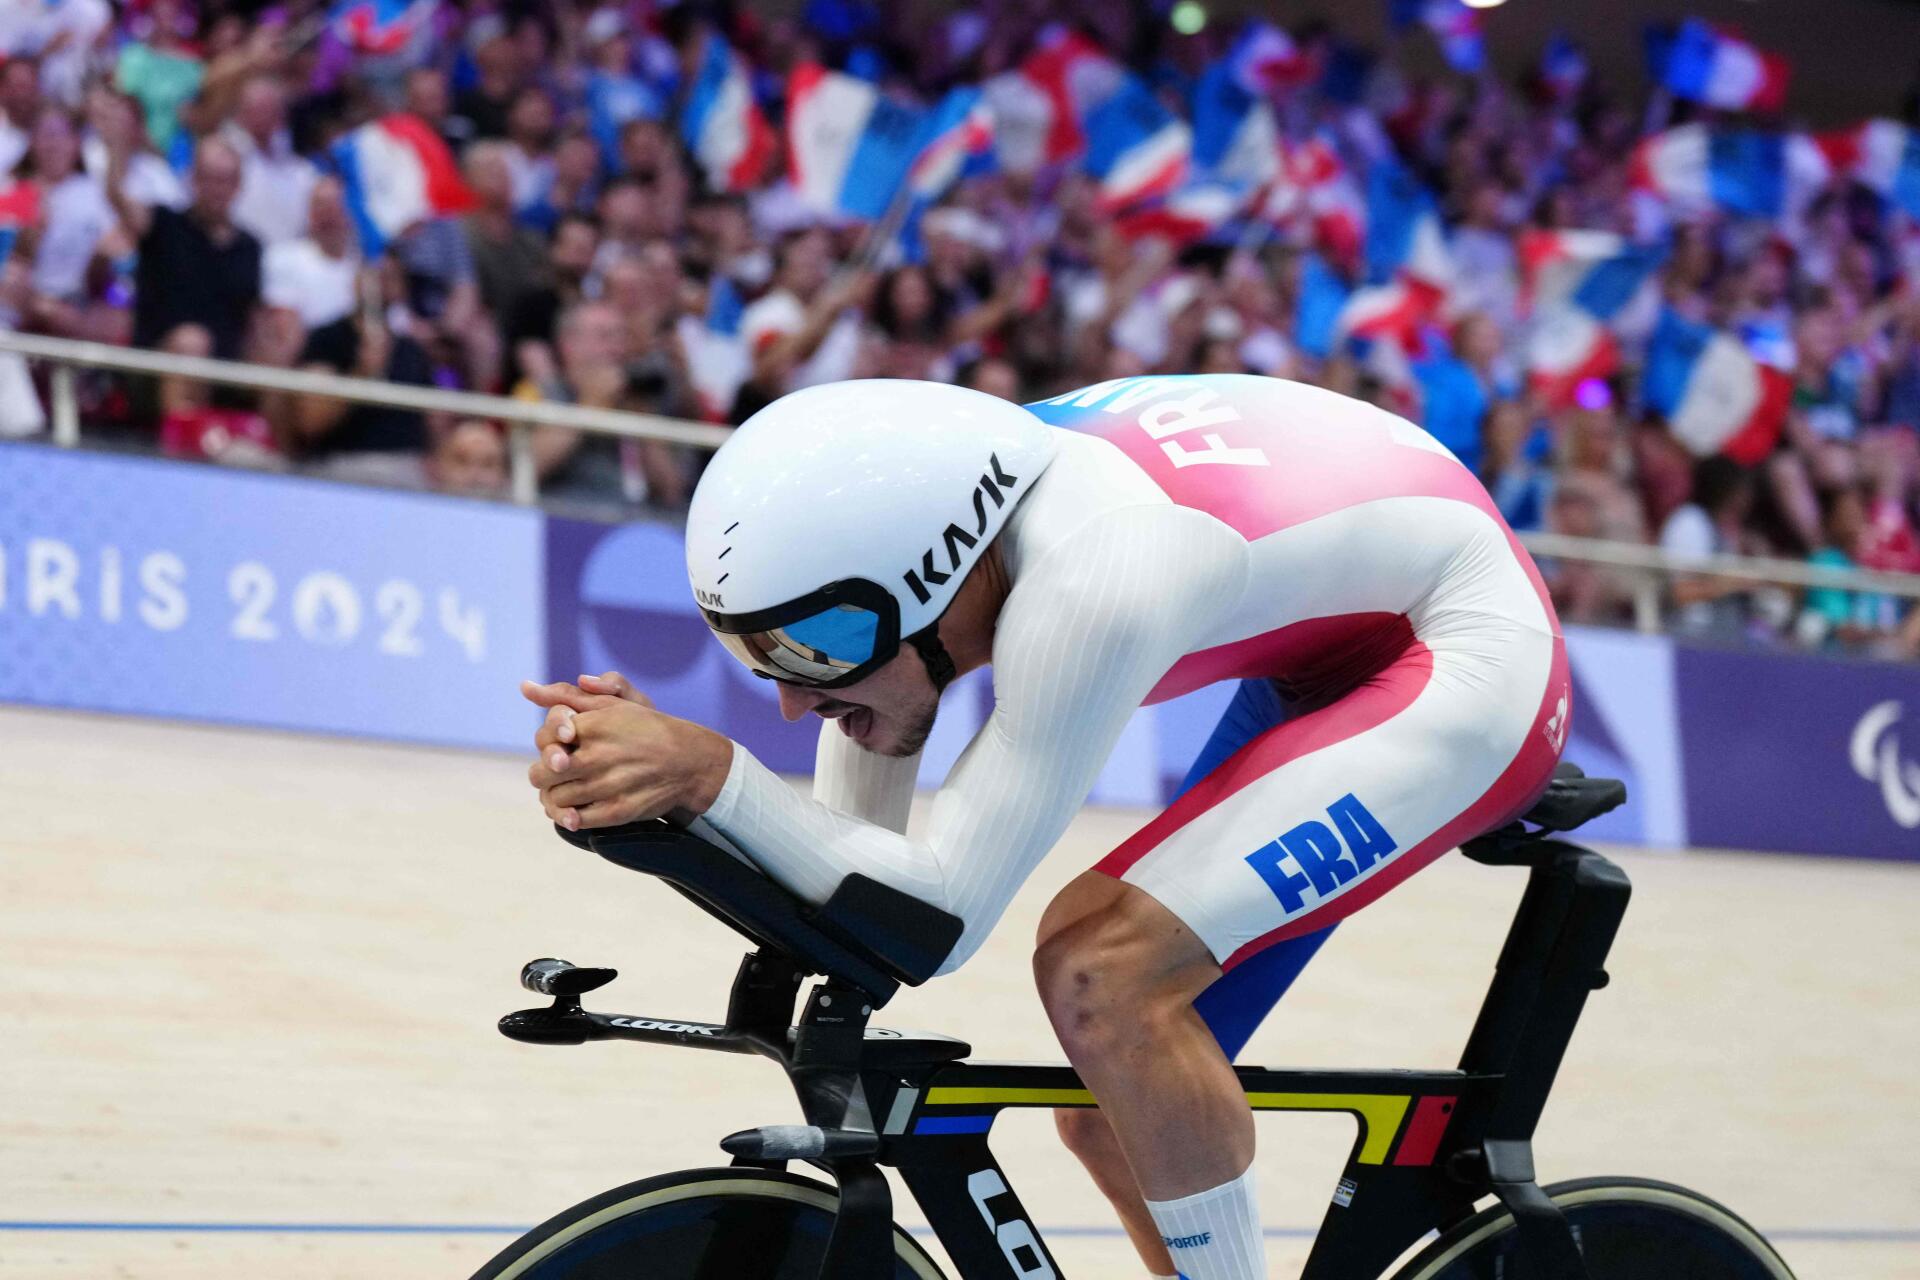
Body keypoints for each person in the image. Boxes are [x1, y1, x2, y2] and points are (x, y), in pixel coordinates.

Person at [521, 373, 1569, 1280]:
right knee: (1118, 1113)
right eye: (764, 654)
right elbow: (848, 890)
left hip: (1464, 651)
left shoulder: (1094, 578)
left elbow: (937, 918)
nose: (795, 698)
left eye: (815, 642)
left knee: (1102, 974)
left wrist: (711, 772)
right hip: (1336, 624)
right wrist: (658, 793)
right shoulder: (940, 517)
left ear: (936, 576)